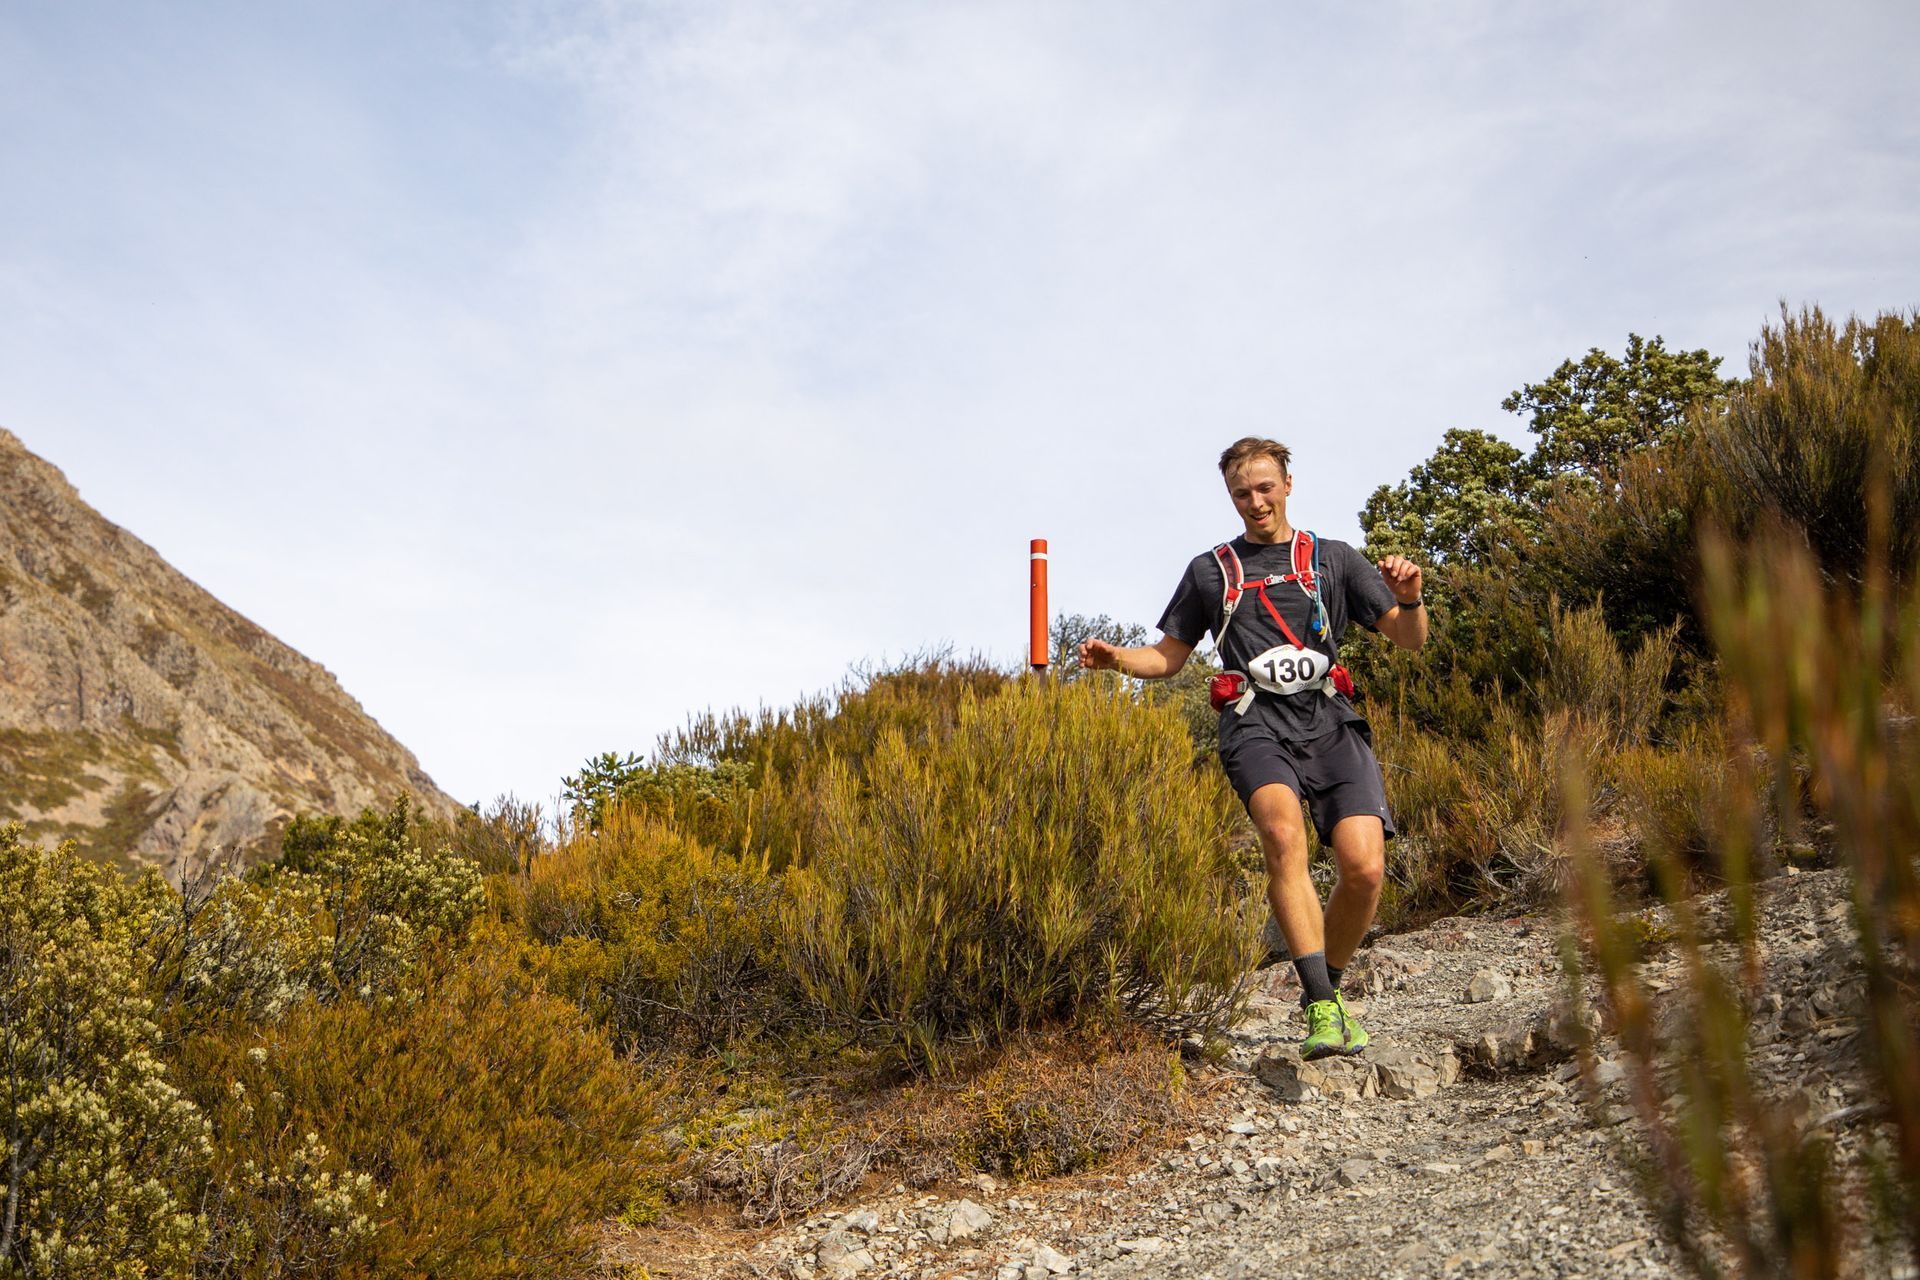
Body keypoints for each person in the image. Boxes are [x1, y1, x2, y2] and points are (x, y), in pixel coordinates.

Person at [1077, 437, 1428, 1060]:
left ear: (1288, 484)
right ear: (1230, 497)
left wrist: (1409, 597)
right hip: (1253, 722)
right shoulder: (1210, 571)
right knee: (1282, 837)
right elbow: (1166, 656)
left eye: (1265, 488)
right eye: (1242, 493)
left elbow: (1408, 639)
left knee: (1365, 869)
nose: (1255, 502)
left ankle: (1332, 986)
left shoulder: (1335, 559)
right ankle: (1319, 1006)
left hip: (1330, 720)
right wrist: (1116, 660)